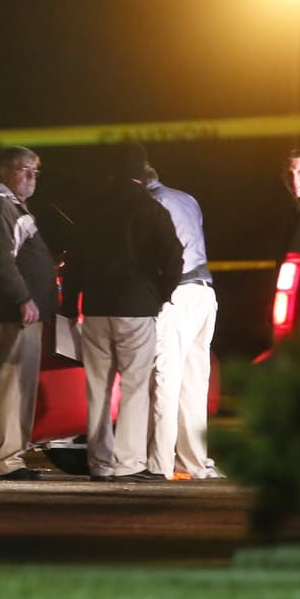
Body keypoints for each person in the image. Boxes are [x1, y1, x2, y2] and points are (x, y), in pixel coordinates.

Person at [59, 143, 182, 482]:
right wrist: (162, 294)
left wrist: (70, 304)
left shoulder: (90, 210)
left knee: (97, 387)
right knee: (135, 386)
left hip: (96, 309)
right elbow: (174, 257)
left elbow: (74, 262)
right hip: (137, 308)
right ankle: (129, 463)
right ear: (142, 172)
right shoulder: (152, 210)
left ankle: (99, 463)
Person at [0, 146, 58, 480]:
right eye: (24, 169)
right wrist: (23, 298)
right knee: (12, 384)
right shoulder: (0, 206)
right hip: (11, 313)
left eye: (36, 171)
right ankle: (7, 461)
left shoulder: (9, 206)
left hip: (16, 312)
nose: (32, 177)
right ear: (4, 171)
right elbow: (0, 260)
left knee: (10, 383)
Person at [141, 161, 218, 480]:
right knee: (194, 384)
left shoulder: (150, 206)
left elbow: (156, 255)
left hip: (176, 295)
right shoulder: (187, 199)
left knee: (165, 381)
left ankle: (159, 463)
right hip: (205, 293)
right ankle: (194, 462)